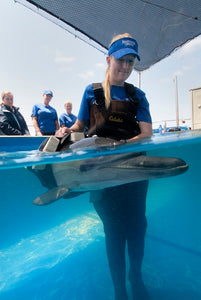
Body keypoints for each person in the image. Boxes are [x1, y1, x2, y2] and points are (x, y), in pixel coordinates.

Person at [56, 33, 152, 300]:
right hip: (98, 172)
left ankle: (136, 277)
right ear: (109, 59)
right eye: (121, 60)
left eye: (131, 62)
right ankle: (120, 288)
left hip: (133, 171)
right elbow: (79, 125)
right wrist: (67, 129)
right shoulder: (92, 91)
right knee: (114, 230)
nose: (125, 67)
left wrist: (118, 147)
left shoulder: (138, 96)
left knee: (137, 226)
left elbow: (146, 134)